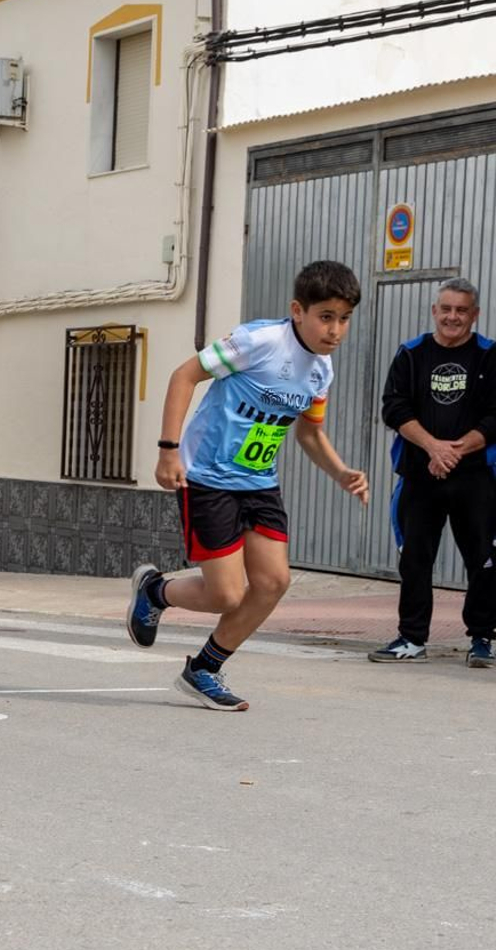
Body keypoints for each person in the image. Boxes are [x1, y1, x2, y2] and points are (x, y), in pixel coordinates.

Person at [126, 260, 369, 710]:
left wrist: (341, 473)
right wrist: (168, 450)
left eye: (345, 319)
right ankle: (154, 591)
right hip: (208, 478)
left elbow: (309, 432)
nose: (335, 330)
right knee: (226, 593)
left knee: (274, 581)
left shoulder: (321, 370)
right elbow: (185, 375)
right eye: (326, 317)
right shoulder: (259, 341)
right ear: (298, 310)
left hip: (258, 482)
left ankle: (204, 669)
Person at [371, 278, 496, 666]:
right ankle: (411, 639)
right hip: (419, 475)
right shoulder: (411, 354)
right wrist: (433, 447)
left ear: (474, 315)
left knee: (485, 559)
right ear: (434, 311)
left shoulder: (490, 356)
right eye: (446, 309)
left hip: (476, 477)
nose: (453, 317)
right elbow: (394, 407)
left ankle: (483, 639)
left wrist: (456, 450)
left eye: (462, 310)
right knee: (415, 559)